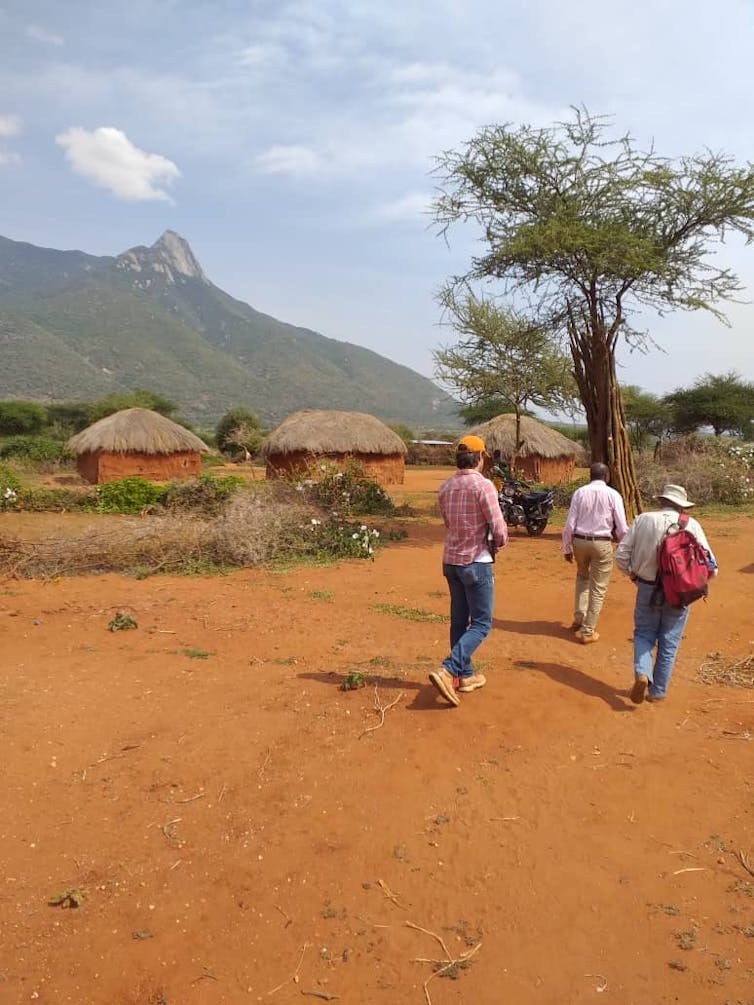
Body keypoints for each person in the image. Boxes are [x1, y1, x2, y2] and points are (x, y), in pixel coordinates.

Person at [615, 484, 717, 704]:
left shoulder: (643, 519)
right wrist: (691, 583)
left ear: (661, 501)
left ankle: (642, 673)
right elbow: (712, 566)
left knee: (643, 634)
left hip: (647, 587)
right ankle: (657, 691)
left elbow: (621, 555)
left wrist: (633, 575)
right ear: (681, 506)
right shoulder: (692, 525)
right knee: (669, 641)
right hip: (680, 593)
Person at [429, 434, 508, 707]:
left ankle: (465, 676)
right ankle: (449, 668)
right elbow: (498, 529)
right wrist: (499, 543)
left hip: (450, 561)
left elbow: (448, 523)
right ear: (481, 457)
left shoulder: (445, 487)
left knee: (459, 621)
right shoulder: (483, 486)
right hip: (476, 561)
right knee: (483, 623)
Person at [561, 462, 628, 644]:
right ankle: (588, 631)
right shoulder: (614, 495)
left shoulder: (579, 493)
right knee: (598, 587)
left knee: (582, 577)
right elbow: (621, 528)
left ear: (590, 476)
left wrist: (566, 548)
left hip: (579, 542)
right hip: (601, 543)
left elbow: (569, 524)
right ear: (606, 477)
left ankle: (579, 617)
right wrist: (625, 547)